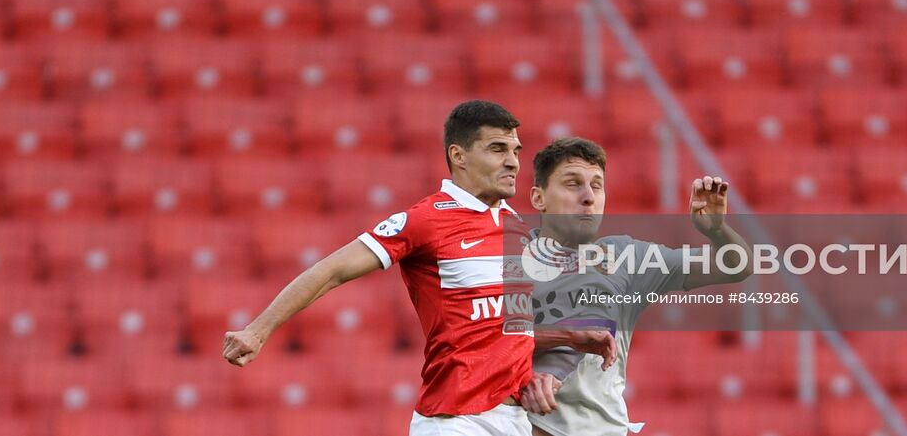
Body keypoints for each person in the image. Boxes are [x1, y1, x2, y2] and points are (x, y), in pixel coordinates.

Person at [221, 99, 611, 436]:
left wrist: (566, 337)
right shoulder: (426, 220)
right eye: (497, 149)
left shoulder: (516, 229)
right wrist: (258, 330)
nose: (512, 162)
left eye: (515, 150)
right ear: (459, 155)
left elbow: (498, 326)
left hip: (512, 420)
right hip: (456, 421)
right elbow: (332, 270)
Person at [520, 137, 753, 436]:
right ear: (539, 198)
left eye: (597, 185)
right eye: (572, 183)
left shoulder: (626, 257)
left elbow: (738, 265)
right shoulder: (505, 258)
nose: (589, 196)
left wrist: (718, 230)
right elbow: (475, 341)